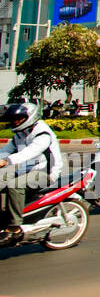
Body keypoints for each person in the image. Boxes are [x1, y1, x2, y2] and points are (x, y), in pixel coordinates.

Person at [0, 99, 63, 246]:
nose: (15, 122)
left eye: (18, 119)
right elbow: (5, 151)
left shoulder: (42, 133)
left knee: (15, 185)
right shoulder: (19, 134)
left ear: (31, 117)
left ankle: (14, 228)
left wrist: (6, 161)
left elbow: (29, 153)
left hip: (45, 173)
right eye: (13, 119)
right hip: (25, 171)